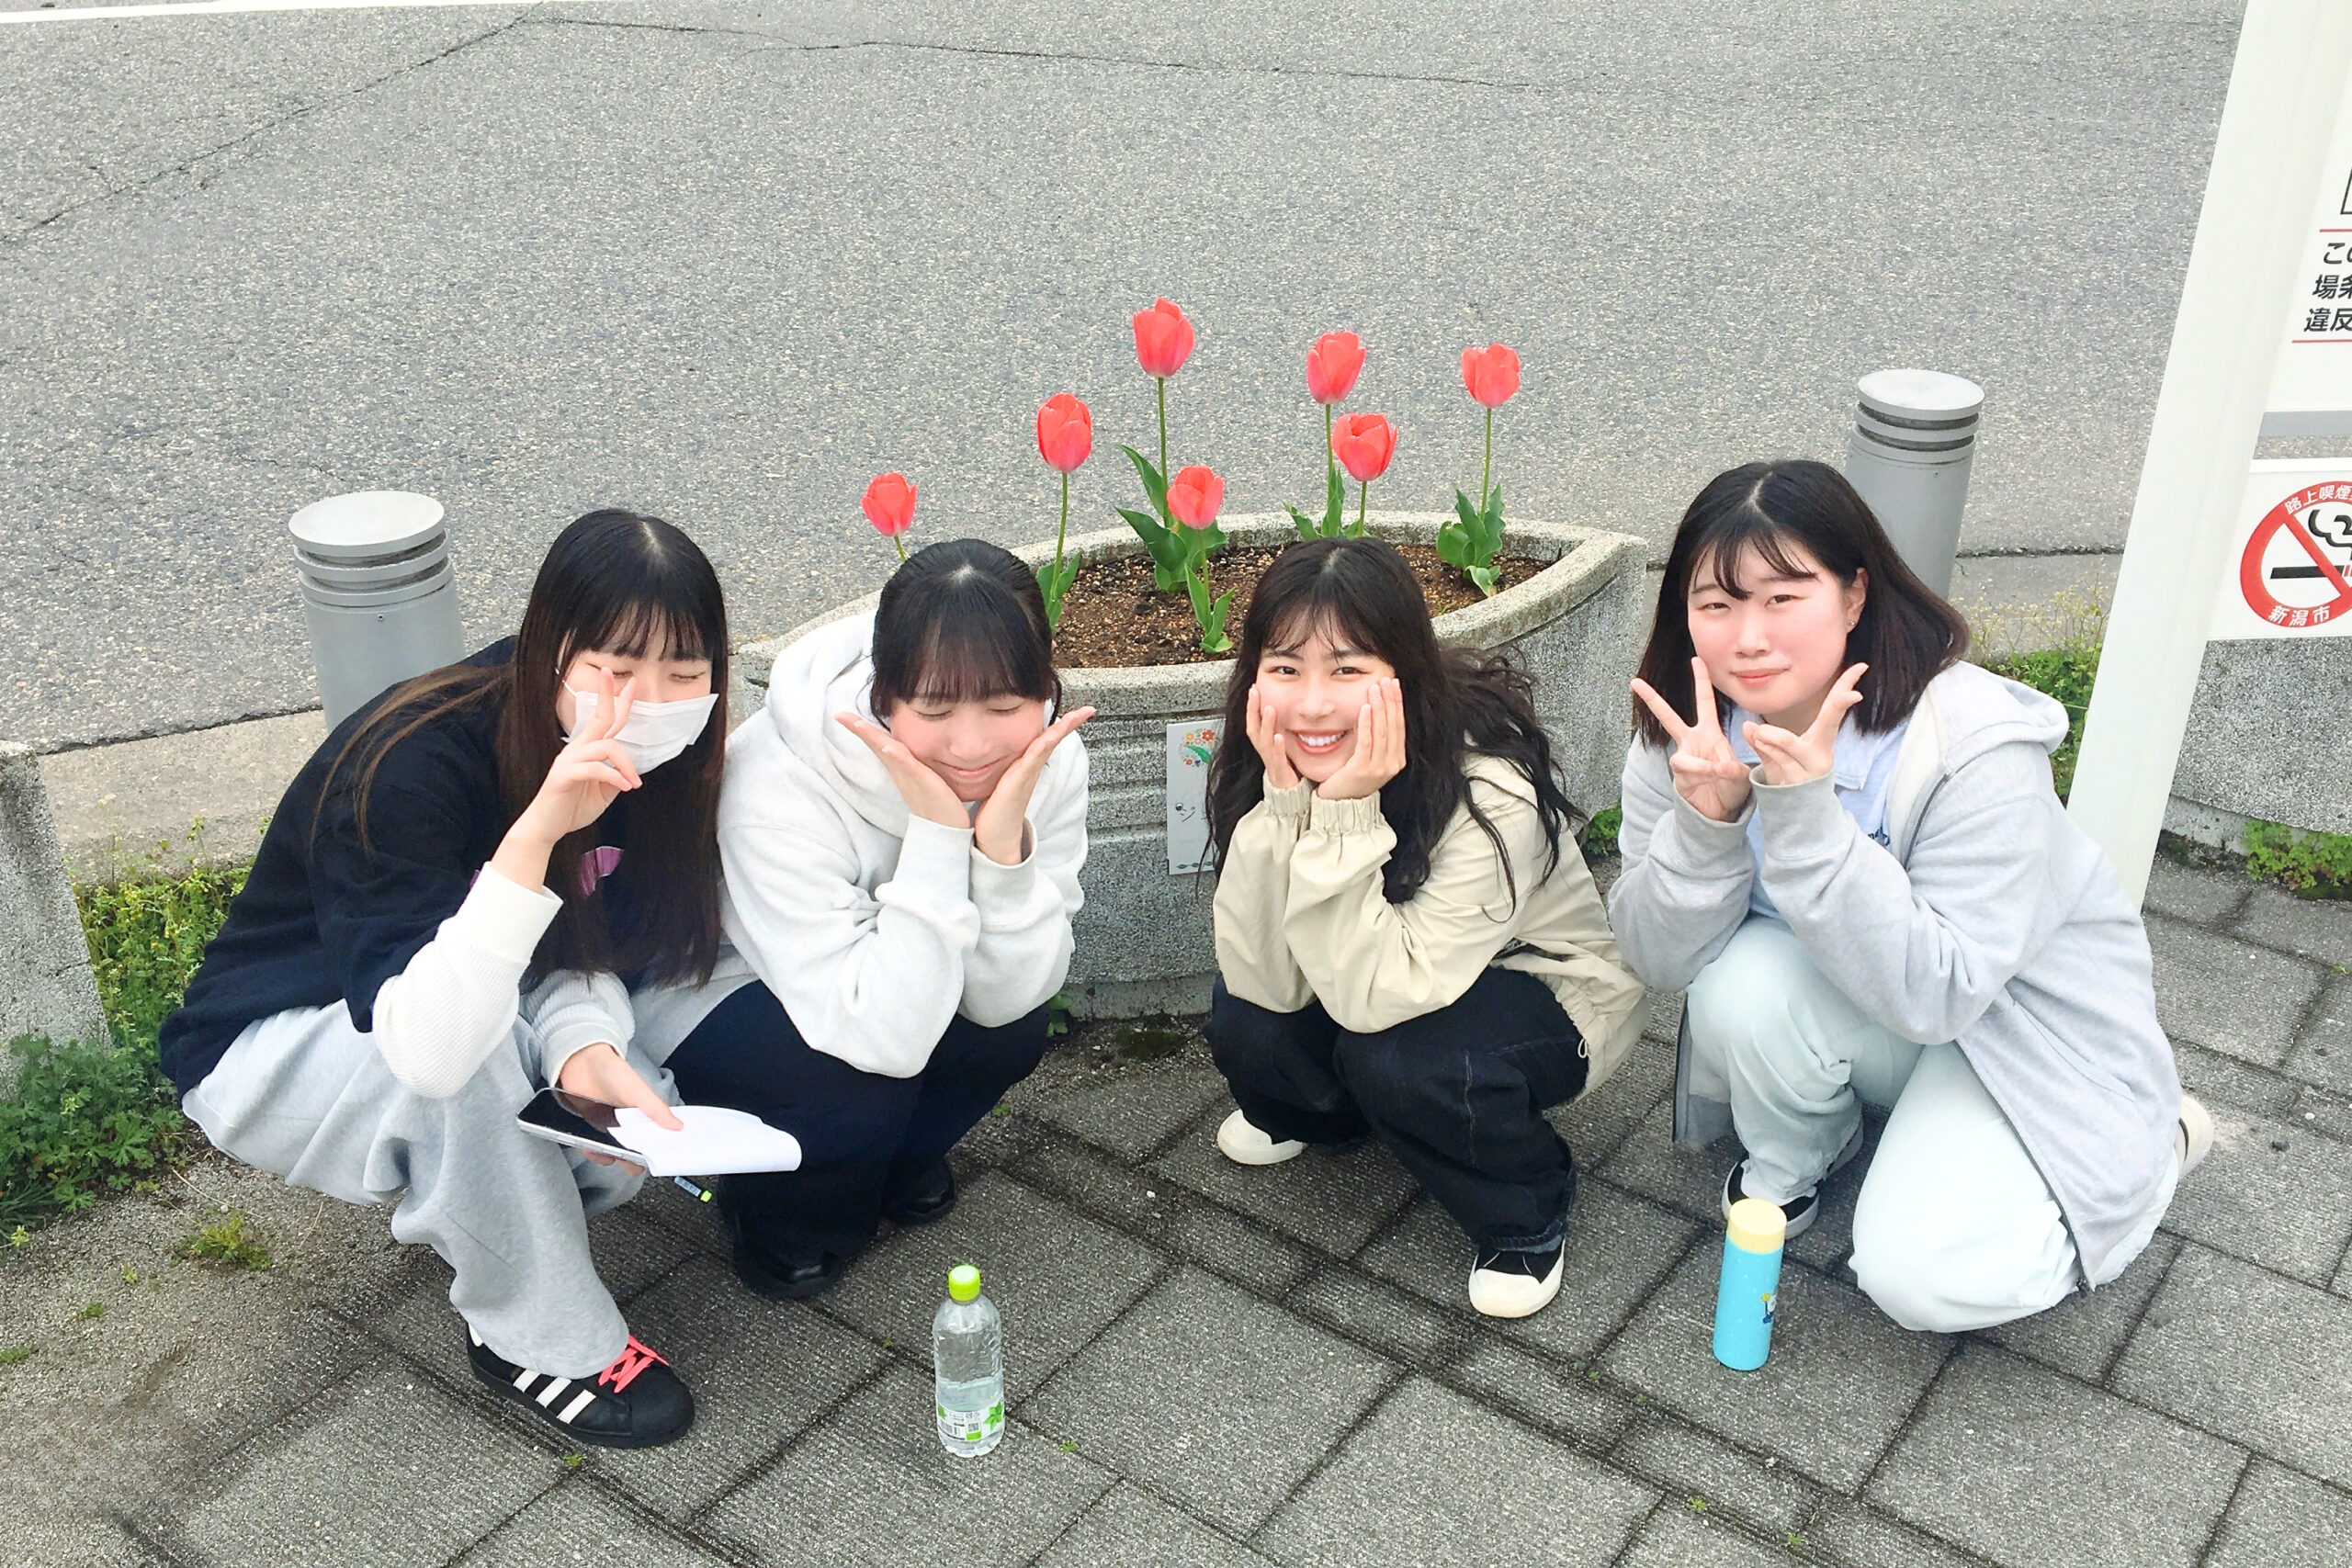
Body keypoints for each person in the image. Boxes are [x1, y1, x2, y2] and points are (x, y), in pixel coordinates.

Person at [159, 509, 733, 1448]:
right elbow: (428, 1052)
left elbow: (580, 948)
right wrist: (537, 831)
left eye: (684, 672)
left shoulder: (662, 760)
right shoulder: (408, 763)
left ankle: (489, 1211)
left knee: (623, 1113)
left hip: (464, 1005)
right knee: (472, 1071)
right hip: (279, 1039)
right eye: (617, 668)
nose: (650, 702)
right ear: (552, 651)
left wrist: (585, 1047)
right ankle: (540, 1341)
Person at [1609, 458, 2210, 1334]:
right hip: (1877, 999)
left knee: (1917, 1276)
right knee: (1736, 979)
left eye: (1784, 597)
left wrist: (1806, 817)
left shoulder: (1967, 743)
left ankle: (2154, 1148)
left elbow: (1942, 994)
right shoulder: (1690, 733)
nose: (1749, 637)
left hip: (2010, 1023)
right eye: (1718, 603)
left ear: (1855, 595)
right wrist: (1705, 827)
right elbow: (1657, 958)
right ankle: (1809, 1149)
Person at [1200, 536, 1648, 1320]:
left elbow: (1383, 995)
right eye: (1285, 667)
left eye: (1347, 669)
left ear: (1402, 673)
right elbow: (1261, 975)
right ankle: (1337, 1117)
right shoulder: (1276, 758)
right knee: (1246, 1019)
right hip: (1380, 970)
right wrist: (1287, 807)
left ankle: (1525, 1206)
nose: (1311, 704)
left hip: (1542, 985)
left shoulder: (1489, 787)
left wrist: (1343, 812)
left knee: (1402, 1060)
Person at [649, 538, 1092, 1299]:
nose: (972, 745)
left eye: (1004, 706)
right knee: (856, 1090)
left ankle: (889, 1160)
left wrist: (1003, 856)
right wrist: (940, 834)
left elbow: (1010, 996)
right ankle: (777, 1214)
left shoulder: (1046, 759)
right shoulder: (778, 781)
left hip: (892, 975)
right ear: (884, 697)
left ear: (1044, 689)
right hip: (726, 981)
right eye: (935, 709)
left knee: (1013, 1026)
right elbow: (877, 1034)